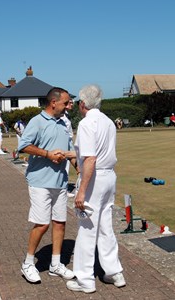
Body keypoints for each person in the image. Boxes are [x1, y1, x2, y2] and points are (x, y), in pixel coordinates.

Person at [65, 85, 125, 294]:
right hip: (109, 176)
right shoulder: (108, 122)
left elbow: (90, 158)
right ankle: (114, 272)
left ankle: (85, 280)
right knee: (105, 225)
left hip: (95, 178)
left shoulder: (86, 123)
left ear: (83, 104)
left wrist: (81, 191)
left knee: (87, 228)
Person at [18, 87, 76, 284]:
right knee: (42, 223)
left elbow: (70, 151)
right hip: (40, 181)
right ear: (53, 102)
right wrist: (47, 154)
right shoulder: (37, 121)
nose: (69, 105)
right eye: (65, 102)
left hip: (60, 182)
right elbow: (23, 146)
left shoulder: (64, 123)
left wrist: (82, 171)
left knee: (60, 222)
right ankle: (27, 263)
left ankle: (55, 264)